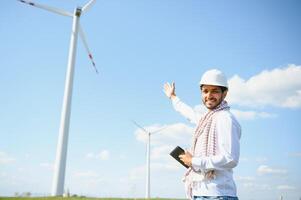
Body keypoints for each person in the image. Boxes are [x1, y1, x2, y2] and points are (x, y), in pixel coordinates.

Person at [163, 69, 241, 200]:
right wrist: (173, 97)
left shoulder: (225, 119)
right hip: (200, 192)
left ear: (225, 93)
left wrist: (193, 161)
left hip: (218, 195)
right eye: (205, 91)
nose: (209, 95)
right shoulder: (206, 119)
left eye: (215, 91)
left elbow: (231, 158)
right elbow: (189, 113)